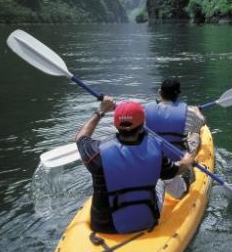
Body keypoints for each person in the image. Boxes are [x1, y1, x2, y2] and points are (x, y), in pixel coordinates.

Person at [75, 97, 194, 234]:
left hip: (104, 226)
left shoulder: (97, 153)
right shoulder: (155, 151)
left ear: (116, 125)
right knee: (163, 178)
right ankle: (184, 191)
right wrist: (185, 162)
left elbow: (80, 138)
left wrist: (100, 111)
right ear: (142, 124)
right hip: (145, 221)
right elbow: (174, 171)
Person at [144, 78, 206, 197]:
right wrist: (197, 111)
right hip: (177, 162)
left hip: (152, 160)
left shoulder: (145, 111)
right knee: (194, 134)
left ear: (160, 92)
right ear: (178, 95)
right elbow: (201, 122)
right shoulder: (189, 112)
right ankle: (187, 177)